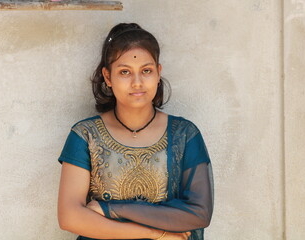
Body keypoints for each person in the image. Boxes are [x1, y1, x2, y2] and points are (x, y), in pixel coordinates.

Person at [57, 23, 213, 240]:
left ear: (158, 74)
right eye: (124, 72)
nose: (137, 82)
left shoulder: (184, 135)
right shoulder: (86, 135)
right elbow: (70, 217)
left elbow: (199, 213)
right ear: (108, 77)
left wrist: (110, 209)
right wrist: (155, 234)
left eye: (146, 71)